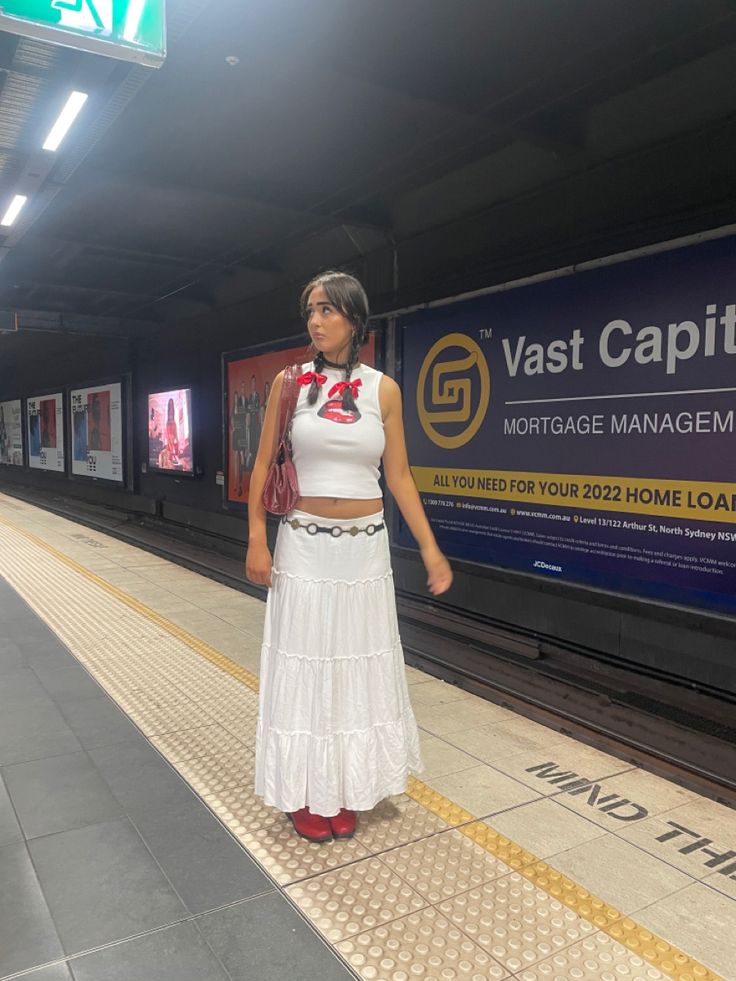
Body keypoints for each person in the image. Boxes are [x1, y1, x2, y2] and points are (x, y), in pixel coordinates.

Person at [246, 270, 452, 843]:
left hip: (365, 552)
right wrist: (257, 538)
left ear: (354, 320)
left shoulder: (383, 389)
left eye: (327, 310)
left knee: (354, 665)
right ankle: (308, 791)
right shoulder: (288, 384)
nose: (316, 321)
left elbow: (401, 477)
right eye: (310, 310)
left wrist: (431, 550)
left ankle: (346, 785)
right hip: (304, 546)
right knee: (307, 664)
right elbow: (262, 466)